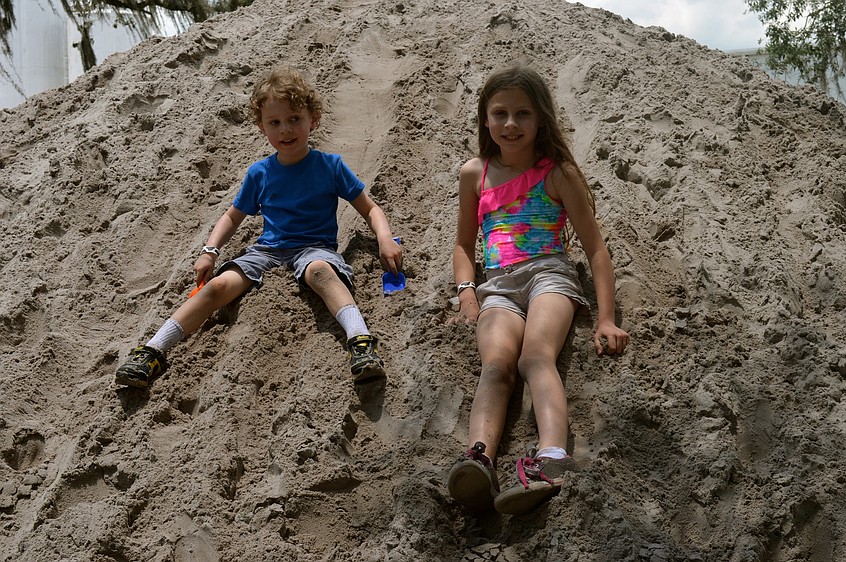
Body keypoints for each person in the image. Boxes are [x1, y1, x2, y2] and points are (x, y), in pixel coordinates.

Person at [115, 66, 402, 388]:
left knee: (321, 271)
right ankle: (153, 349)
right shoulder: (260, 173)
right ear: (262, 127)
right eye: (274, 122)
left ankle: (361, 342)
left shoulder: (329, 166)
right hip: (267, 251)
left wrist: (385, 237)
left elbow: (370, 207)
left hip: (314, 248)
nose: (286, 130)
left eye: (295, 118)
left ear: (314, 119)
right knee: (216, 287)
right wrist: (210, 251)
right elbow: (232, 216)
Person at [446, 65, 629, 515]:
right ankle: (479, 459)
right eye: (500, 113)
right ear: (485, 119)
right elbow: (463, 245)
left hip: (549, 274)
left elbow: (596, 250)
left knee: (534, 357)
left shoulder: (558, 173)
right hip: (498, 287)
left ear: (541, 119)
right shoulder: (475, 173)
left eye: (522, 114)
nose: (511, 124)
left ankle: (551, 458)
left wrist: (606, 318)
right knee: (495, 366)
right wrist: (467, 290)